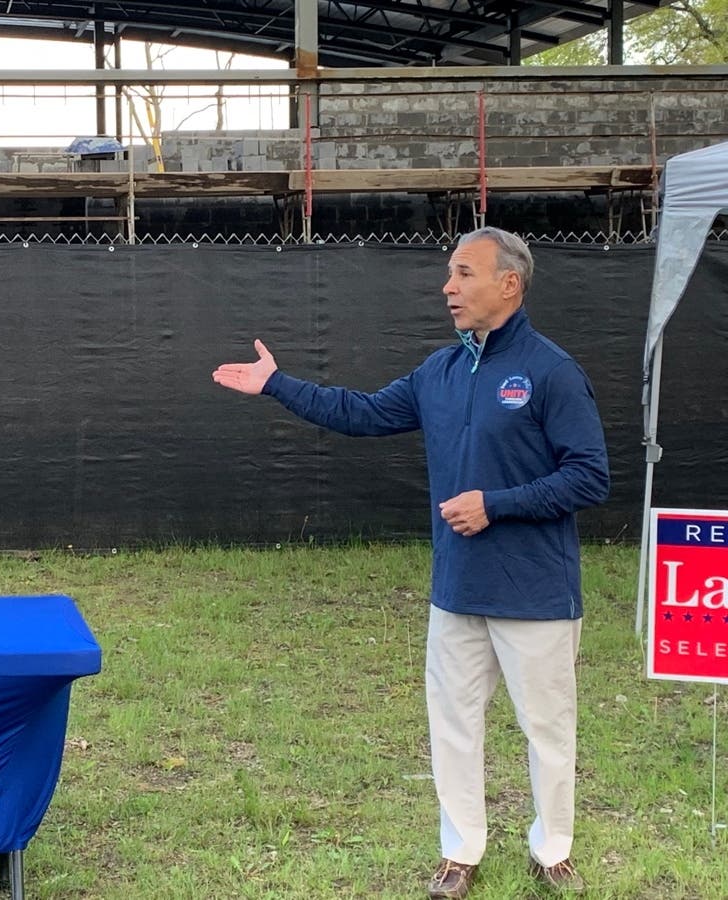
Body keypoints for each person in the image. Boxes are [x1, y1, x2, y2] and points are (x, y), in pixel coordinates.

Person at [211, 227, 609, 899]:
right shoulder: (441, 371)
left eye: (464, 274)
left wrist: (497, 504)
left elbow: (590, 477)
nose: (448, 287)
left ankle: (553, 850)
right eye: (449, 274)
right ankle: (461, 852)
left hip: (536, 594)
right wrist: (278, 384)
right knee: (452, 724)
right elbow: (362, 413)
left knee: (548, 728)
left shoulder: (552, 371)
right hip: (457, 589)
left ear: (509, 283)